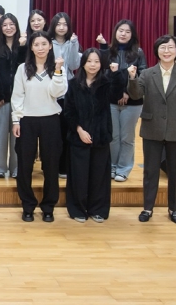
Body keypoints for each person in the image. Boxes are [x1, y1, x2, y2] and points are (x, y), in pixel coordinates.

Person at [127, 35, 176, 225]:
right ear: (157, 51)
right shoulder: (147, 73)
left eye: (170, 48)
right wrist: (132, 78)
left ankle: (173, 209)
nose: (166, 51)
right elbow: (135, 94)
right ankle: (147, 208)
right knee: (150, 172)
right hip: (152, 128)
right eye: (163, 48)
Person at [11, 31, 66, 223]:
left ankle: (48, 207)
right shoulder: (22, 68)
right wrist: (16, 120)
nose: (40, 48)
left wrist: (58, 70)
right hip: (27, 120)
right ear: (31, 47)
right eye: (36, 44)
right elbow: (17, 96)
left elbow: (57, 92)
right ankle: (28, 206)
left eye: (44, 44)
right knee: (25, 165)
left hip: (51, 120)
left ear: (50, 46)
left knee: (51, 165)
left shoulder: (57, 68)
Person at [63, 49, 123, 223]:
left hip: (101, 136)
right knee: (78, 175)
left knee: (99, 176)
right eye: (89, 61)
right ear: (83, 63)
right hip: (78, 136)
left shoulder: (106, 83)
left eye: (96, 61)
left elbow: (117, 94)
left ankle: (98, 209)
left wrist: (116, 75)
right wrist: (79, 130)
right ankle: (78, 209)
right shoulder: (73, 84)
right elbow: (68, 111)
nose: (93, 65)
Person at [97, 19, 147, 182]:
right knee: (113, 136)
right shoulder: (109, 51)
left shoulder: (138, 52)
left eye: (127, 31)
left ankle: (124, 168)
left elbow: (142, 75)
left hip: (132, 102)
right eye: (121, 30)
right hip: (111, 100)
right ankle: (112, 166)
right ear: (115, 32)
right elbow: (103, 74)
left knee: (127, 137)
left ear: (132, 34)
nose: (123, 34)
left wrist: (126, 91)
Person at [0, 13, 23, 179]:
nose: (8, 28)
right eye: (5, 25)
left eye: (11, 24)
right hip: (1, 99)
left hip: (20, 99)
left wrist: (22, 46)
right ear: (0, 28)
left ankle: (17, 168)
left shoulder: (24, 47)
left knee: (18, 136)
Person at [48, 12, 82, 180]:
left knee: (66, 130)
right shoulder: (48, 42)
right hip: (51, 89)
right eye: (58, 24)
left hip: (68, 91)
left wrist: (74, 45)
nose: (61, 27)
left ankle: (65, 166)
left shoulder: (72, 42)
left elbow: (75, 65)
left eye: (65, 24)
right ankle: (51, 166)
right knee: (53, 132)